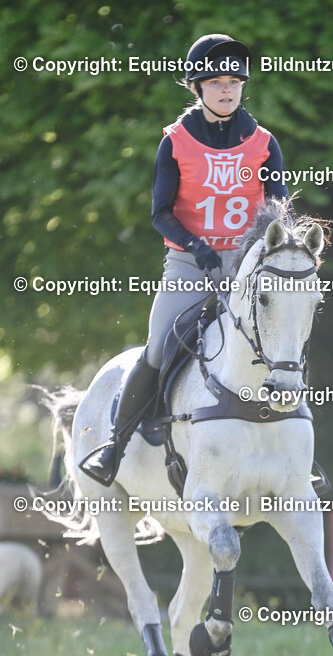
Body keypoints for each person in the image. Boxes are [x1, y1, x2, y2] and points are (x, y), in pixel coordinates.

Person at [80, 33, 289, 485]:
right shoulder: (175, 142)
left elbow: (278, 210)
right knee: (158, 347)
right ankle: (114, 447)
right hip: (189, 264)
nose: (227, 89)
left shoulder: (264, 143)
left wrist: (260, 253)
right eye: (216, 81)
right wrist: (198, 247)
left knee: (283, 344)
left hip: (246, 266)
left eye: (235, 80)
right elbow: (160, 214)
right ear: (196, 87)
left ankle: (299, 460)